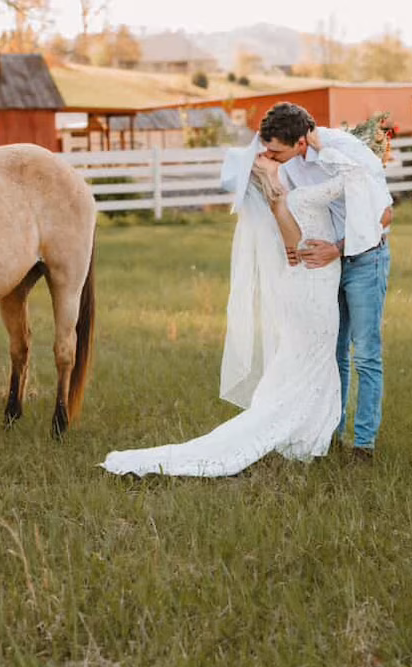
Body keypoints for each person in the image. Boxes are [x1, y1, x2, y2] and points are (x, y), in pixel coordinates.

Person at [100, 130, 366, 477]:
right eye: (271, 156)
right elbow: (352, 178)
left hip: (301, 287)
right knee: (315, 362)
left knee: (305, 362)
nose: (277, 160)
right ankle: (302, 438)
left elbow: (291, 251)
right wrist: (321, 145)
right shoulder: (301, 197)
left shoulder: (279, 196)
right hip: (314, 290)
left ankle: (305, 436)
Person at [258, 103, 393, 462]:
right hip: (325, 268)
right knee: (333, 352)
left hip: (365, 257)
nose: (269, 155)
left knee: (365, 353)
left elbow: (384, 213)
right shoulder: (288, 166)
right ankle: (329, 432)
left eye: (276, 150)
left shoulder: (347, 152)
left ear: (301, 142)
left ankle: (364, 445)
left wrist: (337, 248)